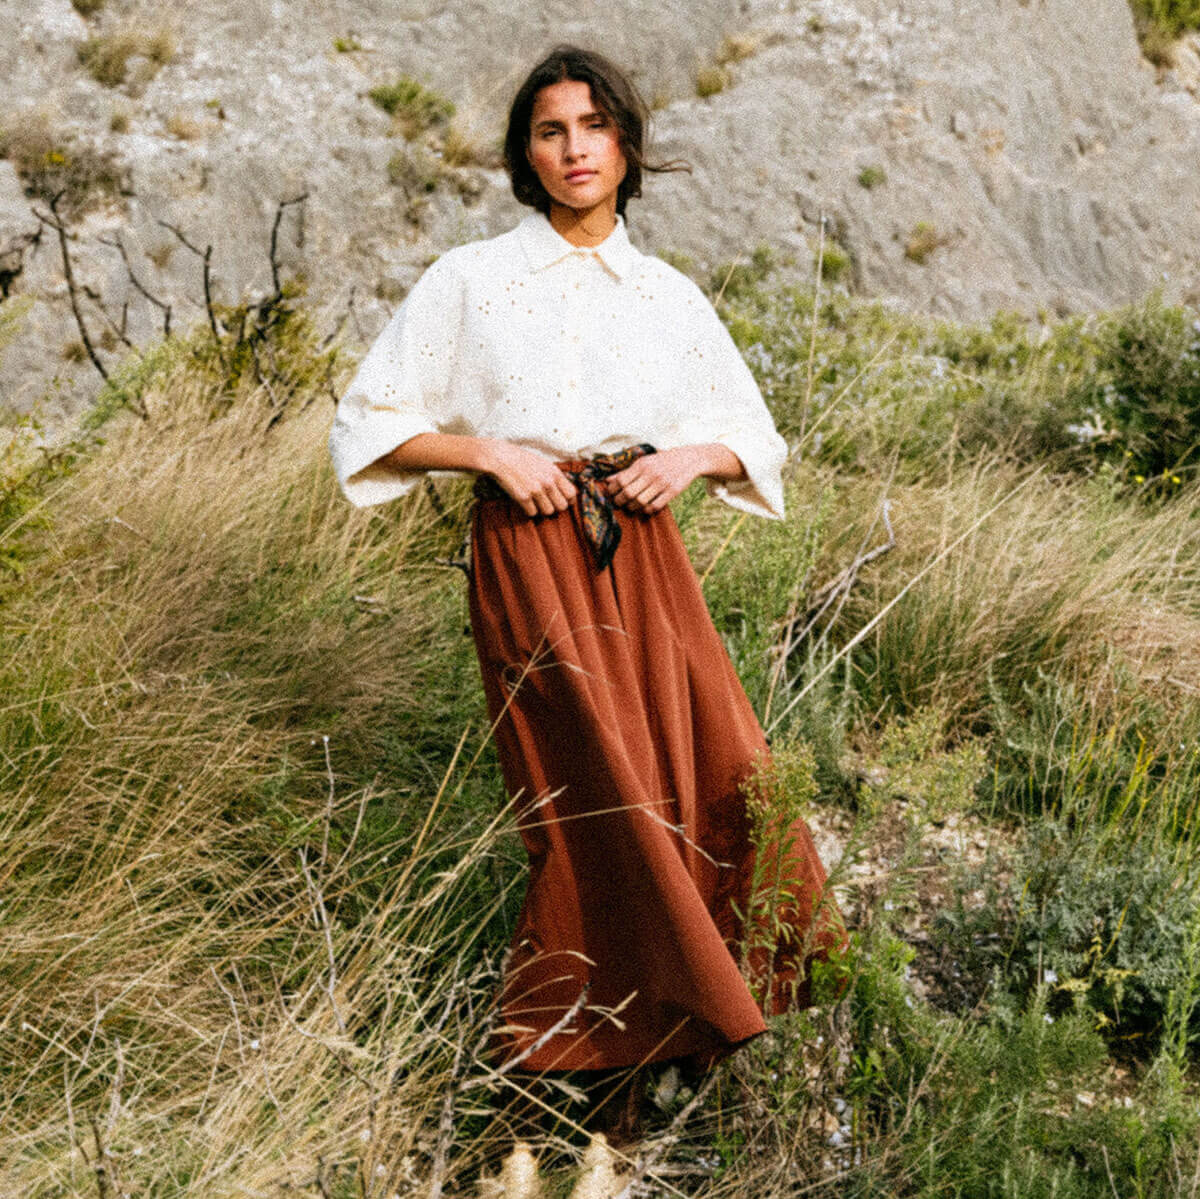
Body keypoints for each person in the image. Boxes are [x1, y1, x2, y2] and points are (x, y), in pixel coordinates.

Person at [330, 44, 848, 1135]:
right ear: (526, 152)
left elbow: (754, 438)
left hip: (646, 558)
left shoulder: (666, 294)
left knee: (703, 772)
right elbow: (368, 423)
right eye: (552, 130)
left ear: (626, 145)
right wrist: (486, 453)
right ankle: (556, 1068)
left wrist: (689, 458)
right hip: (529, 552)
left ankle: (685, 1043)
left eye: (595, 127)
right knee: (587, 798)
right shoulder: (470, 279)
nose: (575, 149)